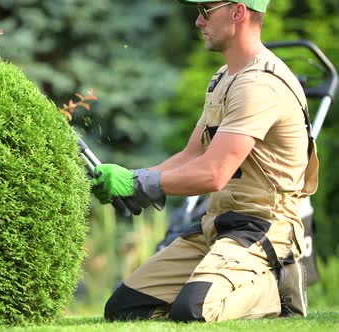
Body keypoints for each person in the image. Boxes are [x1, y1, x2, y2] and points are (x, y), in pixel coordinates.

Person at [90, 0, 319, 322]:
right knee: (126, 309)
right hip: (217, 223)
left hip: (264, 226)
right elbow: (193, 155)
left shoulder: (260, 85)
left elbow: (214, 174)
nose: (198, 22)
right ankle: (220, 286)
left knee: (195, 310)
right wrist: (131, 179)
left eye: (205, 11)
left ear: (238, 12)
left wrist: (139, 183)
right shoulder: (225, 77)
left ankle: (275, 286)